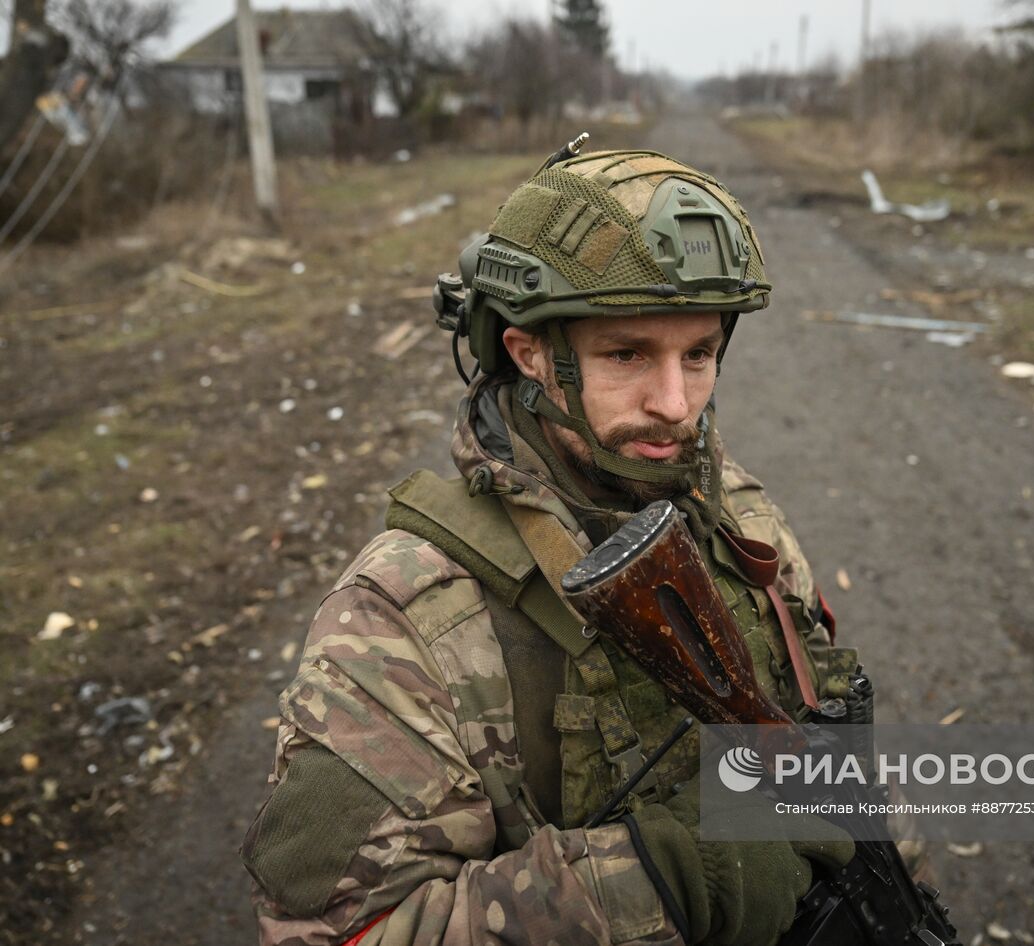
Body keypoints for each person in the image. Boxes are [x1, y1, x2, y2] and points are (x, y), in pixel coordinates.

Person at [240, 147, 866, 946]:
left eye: (699, 355)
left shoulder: (737, 515)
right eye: (627, 354)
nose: (676, 404)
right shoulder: (408, 611)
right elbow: (336, 931)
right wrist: (667, 877)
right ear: (527, 351)